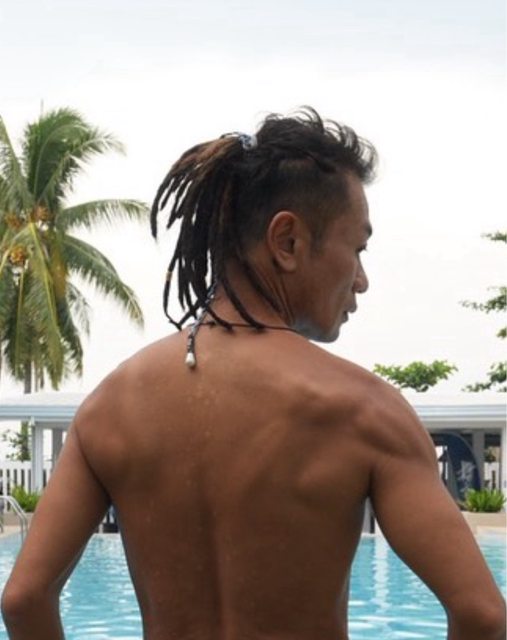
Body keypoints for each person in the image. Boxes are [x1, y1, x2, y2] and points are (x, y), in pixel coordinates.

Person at [1, 108, 505, 640]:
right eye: (357, 249)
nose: (361, 280)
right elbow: (481, 613)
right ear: (287, 241)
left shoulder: (109, 408)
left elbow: (24, 598)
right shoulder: (366, 412)